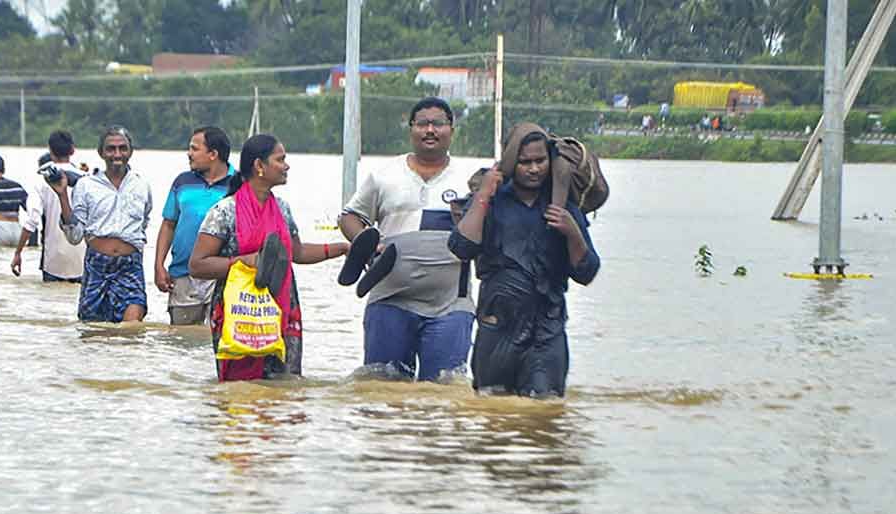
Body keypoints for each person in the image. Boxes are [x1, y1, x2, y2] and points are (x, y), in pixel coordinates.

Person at [448, 122, 600, 397]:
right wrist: (483, 194)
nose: (533, 169)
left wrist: (572, 233)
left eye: (540, 161)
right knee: (492, 409)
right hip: (497, 328)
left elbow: (587, 272)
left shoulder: (563, 205)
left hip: (548, 329)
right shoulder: (492, 200)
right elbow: (461, 246)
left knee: (545, 406)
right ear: (510, 163)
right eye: (524, 162)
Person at [336, 97, 476, 381]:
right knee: (382, 389)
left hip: (450, 305)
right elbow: (349, 216)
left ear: (451, 129)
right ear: (411, 129)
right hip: (390, 299)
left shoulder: (469, 179)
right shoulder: (384, 175)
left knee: (444, 390)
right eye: (422, 123)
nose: (430, 130)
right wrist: (366, 242)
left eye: (438, 124)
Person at [190, 134, 349, 381]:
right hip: (238, 309)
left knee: (285, 387)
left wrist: (342, 248)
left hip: (282, 306)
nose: (286, 166)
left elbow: (297, 253)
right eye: (280, 159)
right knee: (238, 392)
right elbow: (197, 265)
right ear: (259, 166)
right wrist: (243, 262)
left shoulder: (282, 208)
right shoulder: (224, 211)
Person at [69, 126, 153, 323]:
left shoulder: (141, 185)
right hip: (97, 264)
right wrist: (62, 194)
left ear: (130, 152)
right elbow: (74, 235)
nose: (117, 154)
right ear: (101, 153)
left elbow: (144, 221)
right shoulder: (86, 185)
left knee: (131, 328)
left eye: (123, 148)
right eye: (111, 149)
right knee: (93, 329)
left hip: (130, 265)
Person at [154, 126, 235, 325]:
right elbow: (168, 224)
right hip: (182, 275)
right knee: (181, 342)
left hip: (224, 275)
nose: (189, 154)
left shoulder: (238, 184)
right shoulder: (182, 182)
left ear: (213, 154)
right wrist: (159, 265)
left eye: (194, 148)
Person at [11, 132, 85, 281]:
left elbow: (32, 221)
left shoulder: (40, 180)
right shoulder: (86, 179)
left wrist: (18, 253)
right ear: (72, 150)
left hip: (53, 261)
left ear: (50, 151)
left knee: (50, 301)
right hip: (82, 261)